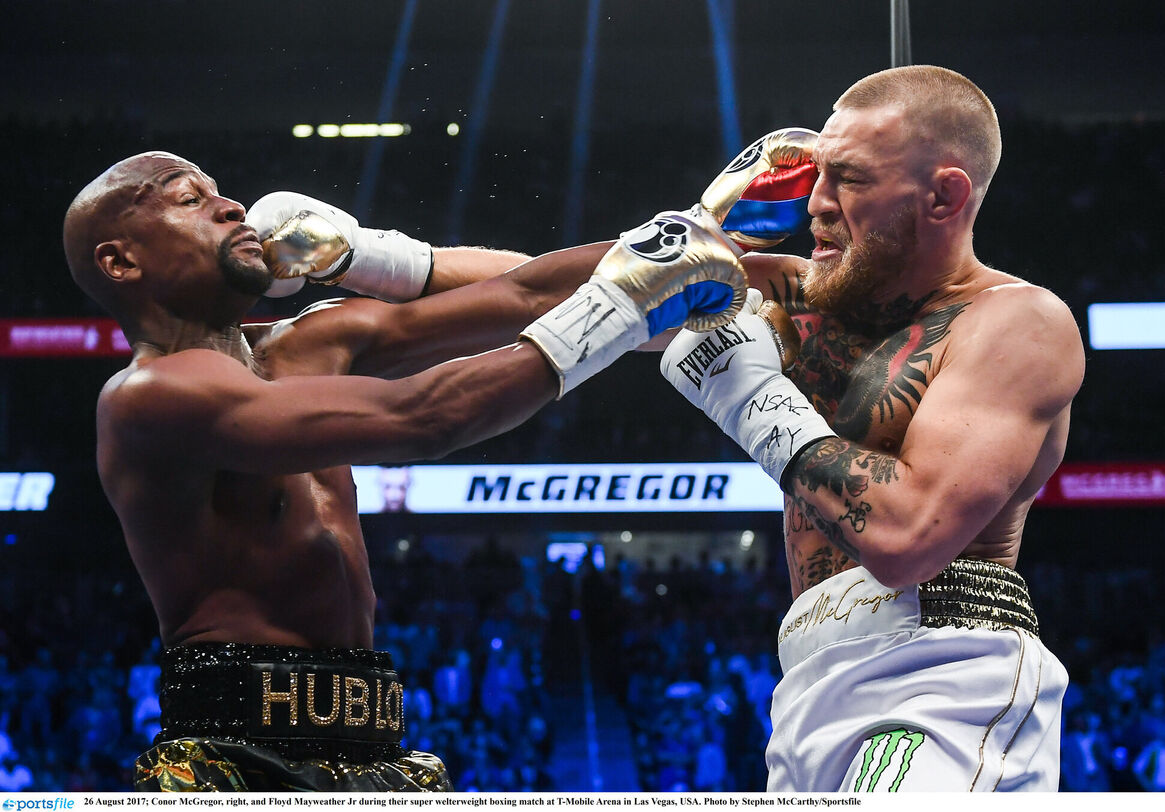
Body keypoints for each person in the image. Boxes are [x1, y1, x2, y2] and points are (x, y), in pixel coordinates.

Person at [62, 151, 744, 791]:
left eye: (219, 192)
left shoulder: (314, 341)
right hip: (234, 752)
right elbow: (421, 416)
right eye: (191, 200)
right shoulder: (148, 398)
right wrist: (620, 307)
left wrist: (690, 236)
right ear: (122, 262)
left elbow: (521, 296)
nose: (232, 207)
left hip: (377, 743)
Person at [662, 65, 1085, 791]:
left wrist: (751, 397)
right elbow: (587, 290)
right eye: (817, 177)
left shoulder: (1017, 323)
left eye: (849, 179)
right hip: (804, 685)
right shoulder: (792, 297)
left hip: (942, 670)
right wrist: (403, 265)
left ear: (944, 194)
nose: (817, 204)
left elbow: (906, 538)